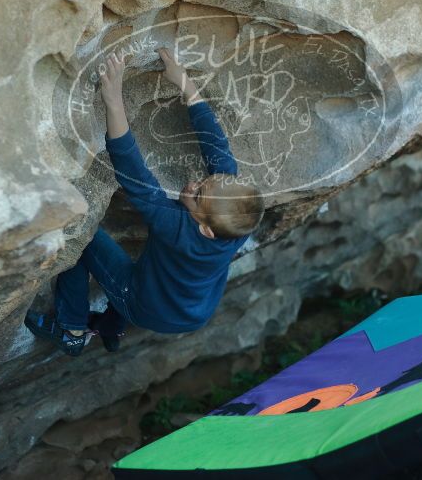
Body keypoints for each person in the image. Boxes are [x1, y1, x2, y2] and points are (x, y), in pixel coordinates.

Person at [24, 47, 265, 356]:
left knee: (79, 232)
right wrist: (185, 83)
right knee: (153, 274)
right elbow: (216, 146)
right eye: (206, 180)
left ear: (205, 230)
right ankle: (111, 325)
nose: (193, 184)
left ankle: (72, 329)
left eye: (198, 194)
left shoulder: (178, 229)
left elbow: (135, 176)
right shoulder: (234, 221)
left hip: (145, 305)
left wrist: (112, 98)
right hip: (193, 312)